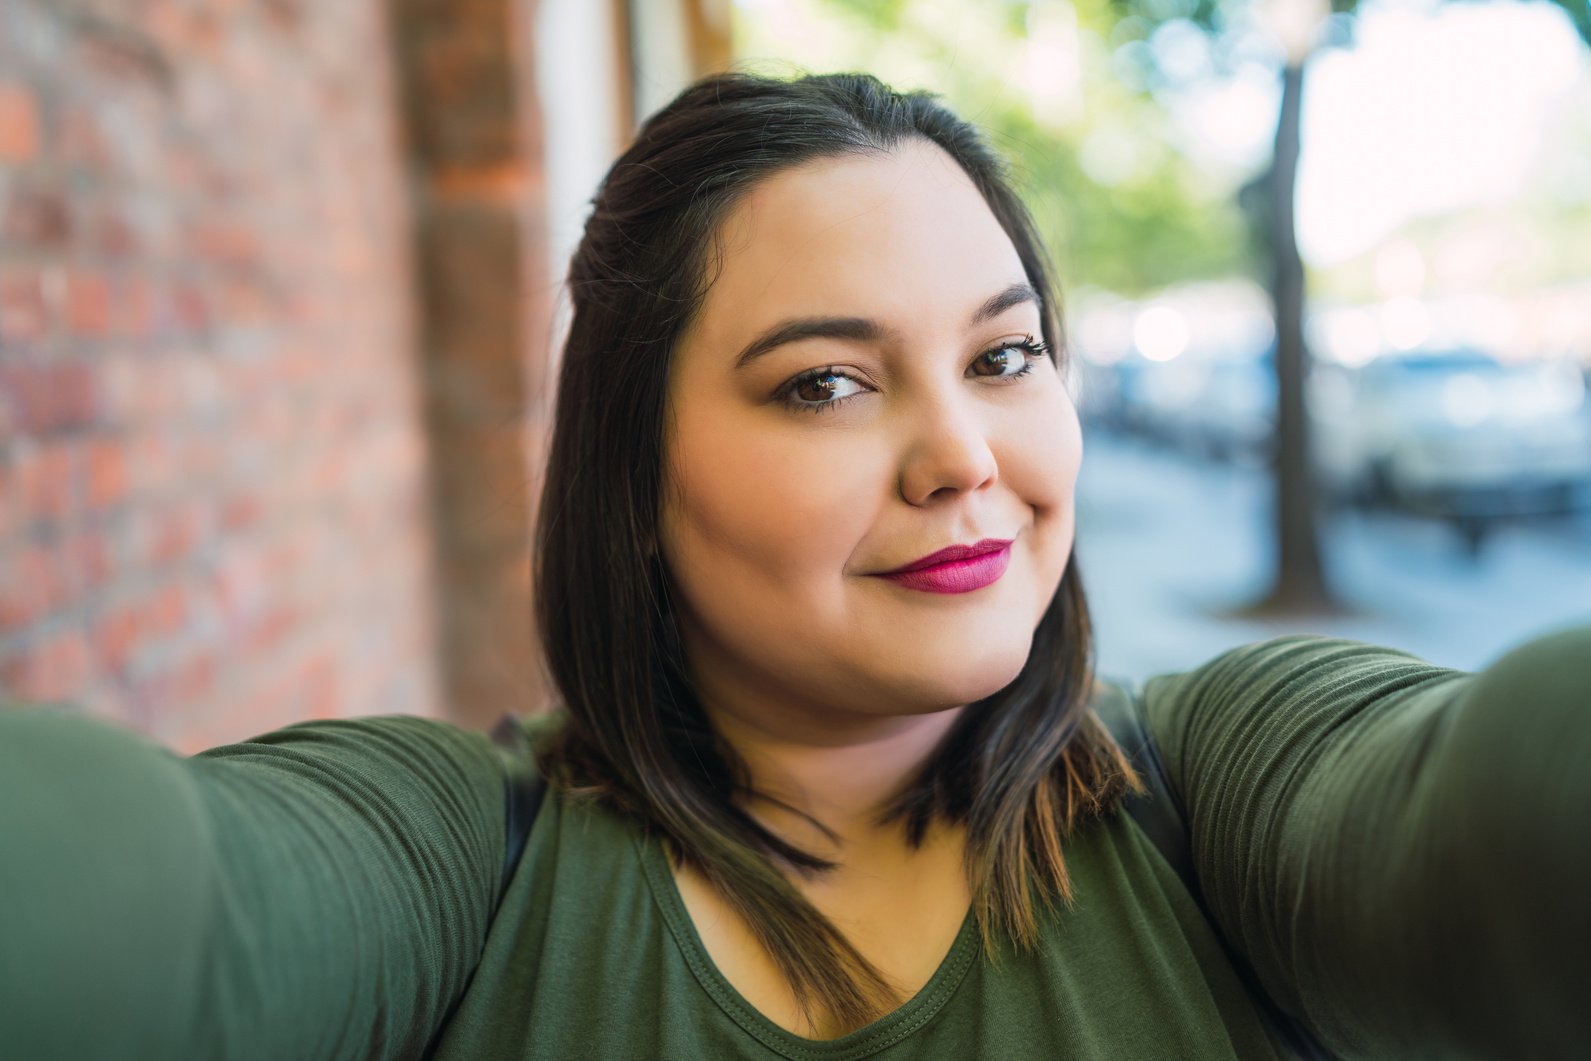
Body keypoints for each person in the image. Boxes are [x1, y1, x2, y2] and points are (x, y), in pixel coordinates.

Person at [1, 70, 1588, 1061]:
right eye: (825, 380)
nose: (962, 453)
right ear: (631, 475)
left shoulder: (1221, 793)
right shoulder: (454, 870)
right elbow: (152, 915)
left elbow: (1499, 813)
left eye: (1007, 355)